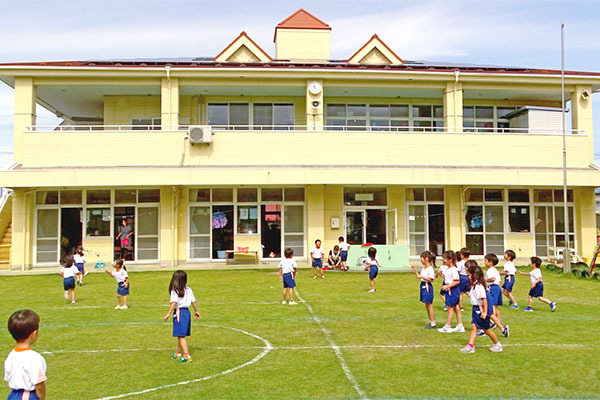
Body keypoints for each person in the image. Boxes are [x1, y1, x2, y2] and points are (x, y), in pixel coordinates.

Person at [461, 260, 503, 353]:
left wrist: (484, 312)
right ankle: (470, 346)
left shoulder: (479, 286)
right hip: (475, 309)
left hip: (479, 309)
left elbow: (484, 300)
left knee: (486, 329)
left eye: (469, 275)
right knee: (474, 327)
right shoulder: (474, 286)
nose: (468, 277)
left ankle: (497, 344)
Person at [4, 310, 47, 400]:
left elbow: (9, 381)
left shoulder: (10, 357)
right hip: (28, 396)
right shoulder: (35, 358)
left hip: (12, 396)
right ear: (34, 334)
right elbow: (39, 386)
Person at [163, 270, 201, 363]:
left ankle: (187, 355)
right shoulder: (189, 289)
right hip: (186, 312)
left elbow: (174, 302)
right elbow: (193, 302)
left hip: (179, 312)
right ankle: (178, 352)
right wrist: (196, 311)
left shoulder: (174, 291)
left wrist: (168, 313)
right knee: (180, 334)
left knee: (180, 336)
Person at [482, 254, 509, 338]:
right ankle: (498, 322)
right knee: (496, 306)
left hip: (492, 288)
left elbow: (492, 279)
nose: (485, 262)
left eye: (486, 261)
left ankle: (492, 320)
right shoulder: (495, 270)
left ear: (490, 262)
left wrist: (484, 280)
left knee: (492, 305)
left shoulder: (491, 270)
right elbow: (499, 280)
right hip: (497, 287)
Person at [438, 250, 464, 332]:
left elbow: (457, 281)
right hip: (450, 290)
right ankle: (460, 325)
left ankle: (447, 326)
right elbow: (448, 278)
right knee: (456, 307)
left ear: (451, 260)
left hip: (453, 290)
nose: (444, 260)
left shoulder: (454, 269)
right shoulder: (449, 269)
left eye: (445, 259)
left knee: (450, 308)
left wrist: (447, 286)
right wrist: (441, 275)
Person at [411, 250, 436, 330]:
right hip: (423, 286)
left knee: (429, 305)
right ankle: (431, 321)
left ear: (427, 259)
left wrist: (421, 277)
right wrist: (417, 274)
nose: (421, 260)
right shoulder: (424, 268)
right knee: (427, 305)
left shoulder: (430, 269)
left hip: (427, 287)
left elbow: (431, 279)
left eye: (422, 258)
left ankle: (433, 322)